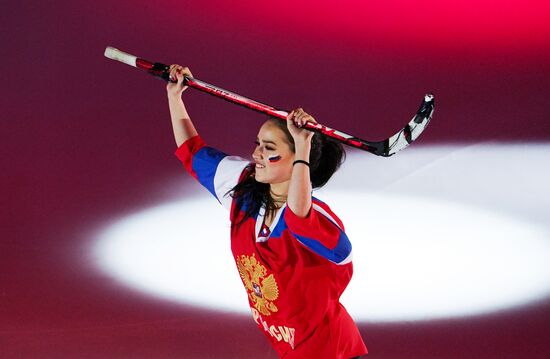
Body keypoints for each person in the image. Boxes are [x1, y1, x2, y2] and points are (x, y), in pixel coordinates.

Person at [167, 64, 367, 359]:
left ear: (298, 158)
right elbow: (193, 152)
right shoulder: (244, 192)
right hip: (287, 349)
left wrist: (303, 144)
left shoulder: (321, 224)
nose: (256, 154)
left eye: (268, 147)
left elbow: (299, 217)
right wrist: (175, 97)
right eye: (258, 144)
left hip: (332, 352)